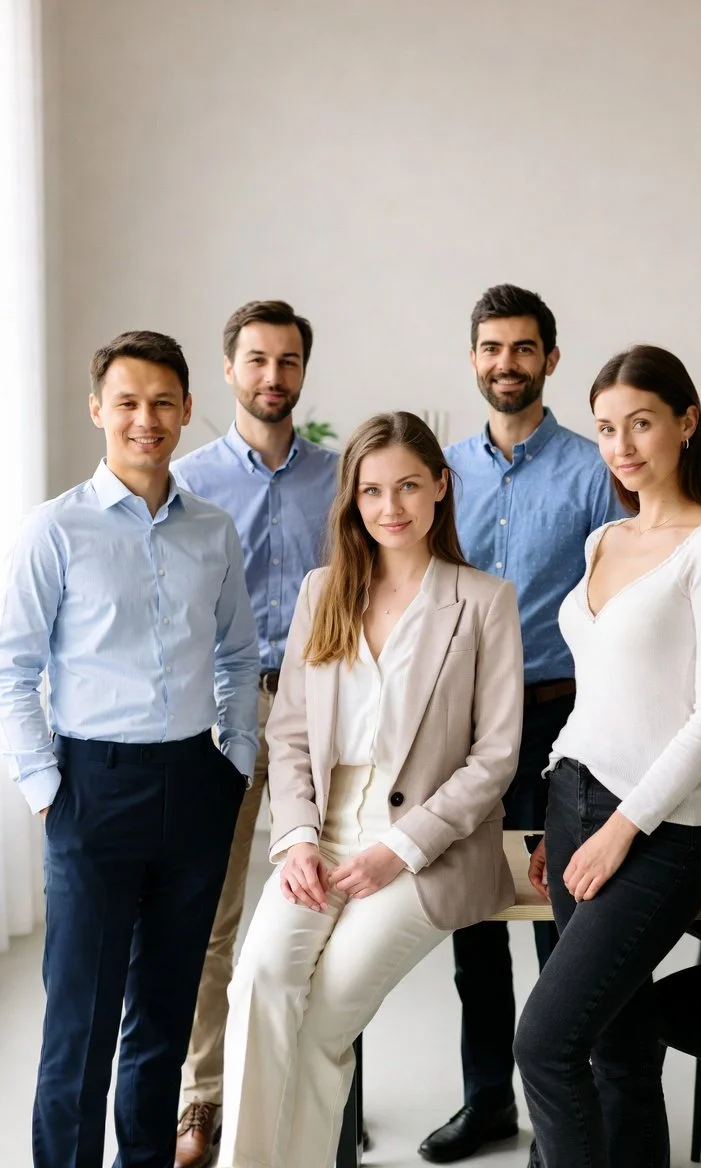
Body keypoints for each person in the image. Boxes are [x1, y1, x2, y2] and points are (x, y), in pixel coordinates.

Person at [215, 411, 524, 1168]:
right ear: (352, 500)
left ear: (441, 488)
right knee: (259, 983)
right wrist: (292, 841)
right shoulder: (324, 592)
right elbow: (288, 733)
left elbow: (495, 758)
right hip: (320, 831)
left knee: (324, 1019)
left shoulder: (484, 601)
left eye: (409, 487)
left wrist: (399, 849)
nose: (392, 508)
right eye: (373, 491)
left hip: (425, 842)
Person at [0, 331, 260, 1168]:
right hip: (90, 788)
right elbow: (13, 667)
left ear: (187, 410)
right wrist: (47, 788)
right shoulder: (56, 529)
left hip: (193, 786)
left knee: (163, 1016)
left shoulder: (214, 530)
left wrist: (235, 765)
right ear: (98, 411)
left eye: (161, 403)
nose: (145, 419)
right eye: (127, 402)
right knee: (79, 1023)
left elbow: (237, 656)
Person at [514, 345, 701, 1167]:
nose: (622, 445)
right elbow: (598, 699)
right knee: (618, 1049)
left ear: (686, 424)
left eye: (642, 423)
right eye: (607, 428)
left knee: (544, 1044)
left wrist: (621, 828)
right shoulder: (602, 542)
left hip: (658, 834)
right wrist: (561, 810)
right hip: (573, 804)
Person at [419, 285, 626, 1164]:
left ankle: (566, 1111)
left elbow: (618, 614)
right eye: (491, 348)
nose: (507, 363)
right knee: (474, 924)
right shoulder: (440, 473)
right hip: (462, 732)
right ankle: (485, 1102)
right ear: (473, 359)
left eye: (523, 348)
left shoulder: (592, 472)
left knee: (563, 923)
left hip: (559, 721)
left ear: (551, 358)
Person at [170, 300, 338, 1168]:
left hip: (321, 708)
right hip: (224, 711)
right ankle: (203, 1100)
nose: (274, 377)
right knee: (213, 915)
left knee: (325, 907)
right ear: (229, 370)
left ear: (304, 373)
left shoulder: (344, 477)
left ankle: (320, 1095)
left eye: (289, 362)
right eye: (258, 361)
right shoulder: (189, 480)